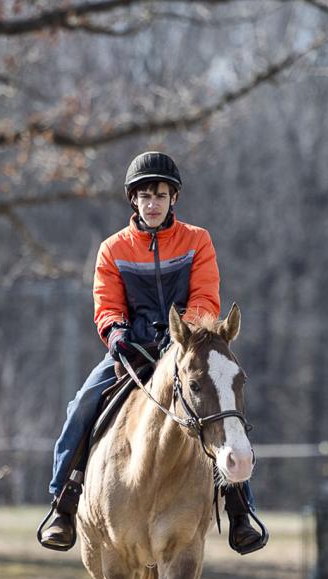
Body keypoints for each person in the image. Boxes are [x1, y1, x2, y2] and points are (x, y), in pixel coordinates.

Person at [38, 151, 266, 554]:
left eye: (160, 195)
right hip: (133, 351)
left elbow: (205, 298)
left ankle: (239, 510)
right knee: (83, 402)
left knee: (222, 405)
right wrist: (117, 332)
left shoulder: (198, 241)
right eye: (145, 195)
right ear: (134, 201)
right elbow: (106, 304)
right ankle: (64, 503)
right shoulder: (113, 249)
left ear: (173, 198)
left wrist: (184, 334)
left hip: (186, 348)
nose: (153, 203)